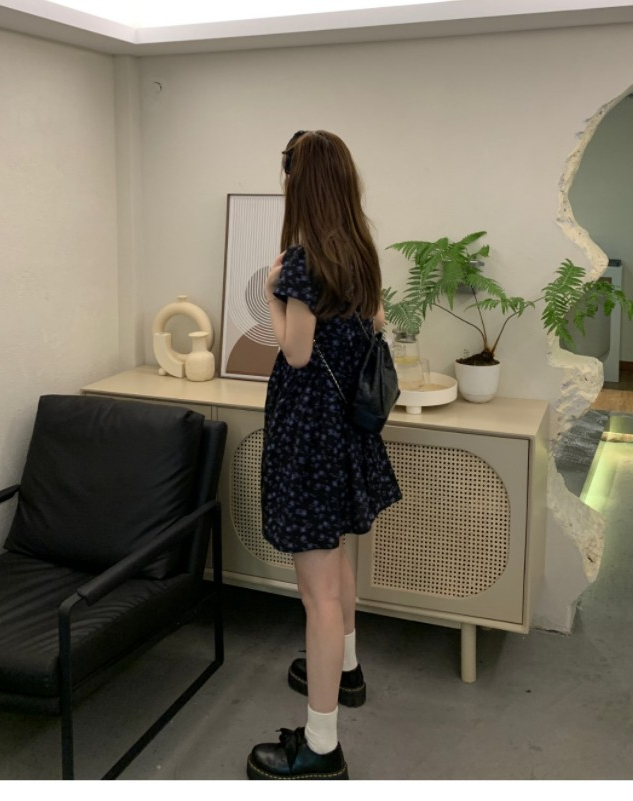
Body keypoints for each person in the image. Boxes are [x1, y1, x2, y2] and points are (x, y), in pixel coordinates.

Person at [246, 130, 401, 781]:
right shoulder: (360, 254)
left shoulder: (303, 262)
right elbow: (375, 323)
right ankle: (349, 668)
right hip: (344, 433)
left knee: (318, 594)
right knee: (336, 563)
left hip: (309, 438)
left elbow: (296, 350)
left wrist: (274, 293)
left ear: (299, 186)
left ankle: (321, 745)